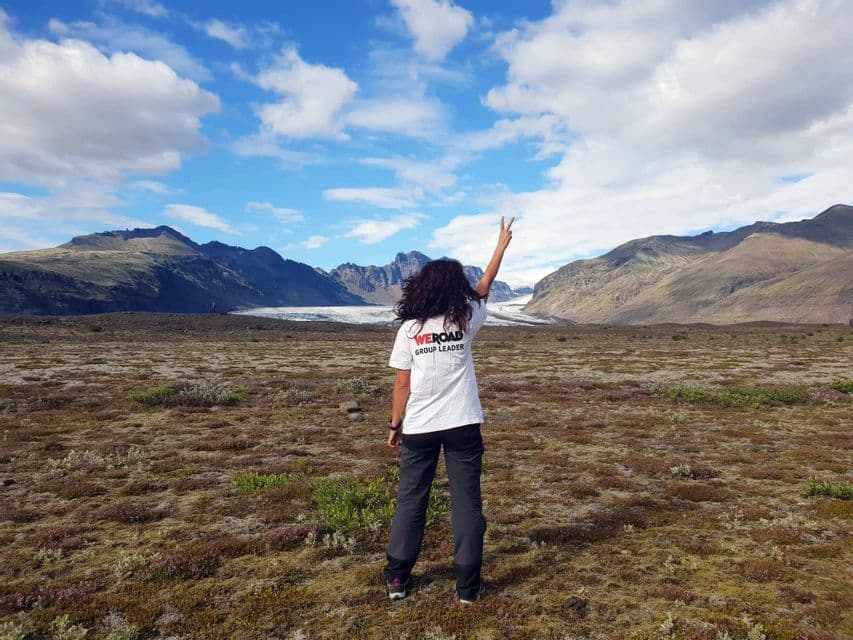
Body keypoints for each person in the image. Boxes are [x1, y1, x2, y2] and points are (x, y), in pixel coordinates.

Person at [383, 216, 515, 603]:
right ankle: (468, 588)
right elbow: (484, 289)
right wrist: (500, 248)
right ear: (456, 287)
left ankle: (397, 580)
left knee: (411, 500)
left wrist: (395, 424)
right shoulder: (466, 319)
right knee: (467, 503)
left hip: (420, 428)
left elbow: (402, 384)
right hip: (463, 424)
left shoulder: (409, 330)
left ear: (422, 288)